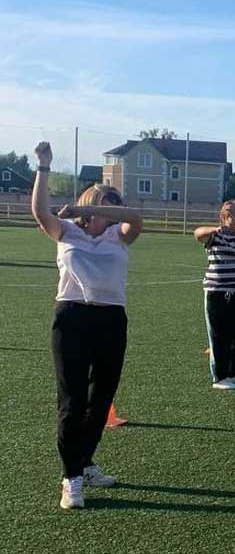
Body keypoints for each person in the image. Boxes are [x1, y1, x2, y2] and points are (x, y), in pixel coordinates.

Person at [30, 141, 144, 510]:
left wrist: (88, 207)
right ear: (94, 201)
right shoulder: (65, 231)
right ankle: (72, 479)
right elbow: (39, 211)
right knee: (72, 402)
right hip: (72, 318)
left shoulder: (120, 235)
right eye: (108, 203)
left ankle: (85, 461)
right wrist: (44, 166)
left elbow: (136, 216)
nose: (113, 209)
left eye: (115, 205)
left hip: (111, 319)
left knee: (101, 400)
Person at [194, 200, 235, 390]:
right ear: (223, 219)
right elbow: (198, 234)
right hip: (218, 293)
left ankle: (234, 373)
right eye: (231, 216)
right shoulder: (216, 236)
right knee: (219, 336)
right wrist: (215, 228)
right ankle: (220, 377)